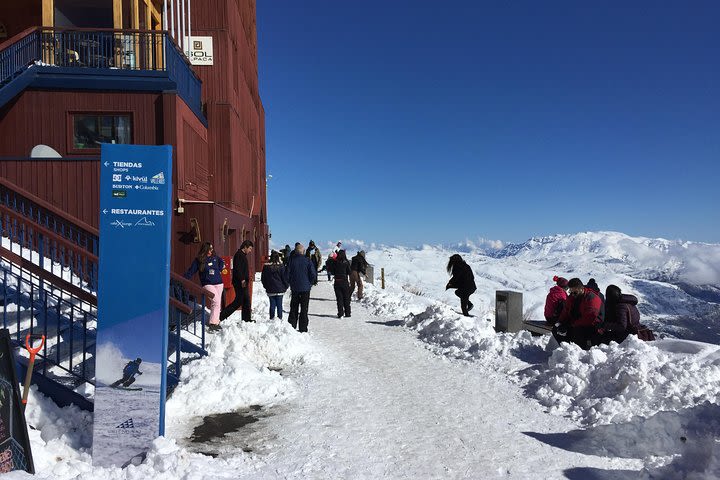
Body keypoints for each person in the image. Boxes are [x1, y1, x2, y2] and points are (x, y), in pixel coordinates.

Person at [184, 241, 225, 332]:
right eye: (210, 248)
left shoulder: (215, 258)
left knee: (217, 303)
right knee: (216, 301)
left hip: (219, 283)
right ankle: (213, 323)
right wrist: (183, 279)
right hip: (207, 284)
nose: (211, 250)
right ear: (205, 249)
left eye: (212, 248)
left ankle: (216, 321)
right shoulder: (199, 260)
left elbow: (221, 261)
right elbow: (191, 271)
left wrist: (220, 269)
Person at [555, 278, 603, 349]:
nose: (573, 294)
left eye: (575, 292)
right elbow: (566, 310)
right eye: (571, 292)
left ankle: (579, 351)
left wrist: (571, 325)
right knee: (556, 330)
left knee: (577, 332)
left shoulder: (591, 298)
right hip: (576, 322)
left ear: (581, 289)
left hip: (593, 326)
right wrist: (560, 322)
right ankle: (566, 349)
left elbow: (589, 318)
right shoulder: (572, 297)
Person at [220, 240, 254, 323]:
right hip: (240, 282)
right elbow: (238, 269)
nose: (250, 251)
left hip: (243, 282)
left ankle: (246, 319)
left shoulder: (243, 255)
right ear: (245, 247)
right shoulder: (239, 255)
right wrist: (242, 279)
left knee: (246, 300)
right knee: (238, 302)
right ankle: (222, 316)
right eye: (249, 248)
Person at [285, 243, 317, 332]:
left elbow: (287, 274)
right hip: (305, 288)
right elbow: (313, 274)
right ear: (303, 251)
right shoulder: (307, 261)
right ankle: (303, 328)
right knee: (304, 308)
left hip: (295, 288)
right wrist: (310, 283)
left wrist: (290, 282)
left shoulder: (291, 261)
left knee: (294, 307)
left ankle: (292, 326)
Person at [261, 250, 288, 320]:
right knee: (279, 305)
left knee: (272, 305)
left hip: (270, 289)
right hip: (280, 289)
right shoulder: (281, 267)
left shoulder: (266, 267)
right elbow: (284, 278)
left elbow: (263, 278)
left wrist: (266, 286)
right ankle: (280, 319)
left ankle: (271, 318)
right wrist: (286, 286)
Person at [332, 250, 352, 318]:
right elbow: (349, 272)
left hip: (337, 282)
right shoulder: (346, 262)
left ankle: (340, 313)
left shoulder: (335, 262)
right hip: (345, 282)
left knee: (339, 299)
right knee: (346, 298)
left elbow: (332, 272)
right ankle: (348, 313)